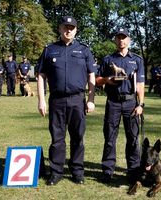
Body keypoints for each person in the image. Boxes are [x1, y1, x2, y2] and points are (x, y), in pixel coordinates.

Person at [37, 16, 96, 186]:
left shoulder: (84, 50)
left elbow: (91, 75)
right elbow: (41, 75)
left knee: (77, 137)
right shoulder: (49, 49)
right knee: (57, 138)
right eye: (65, 27)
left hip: (78, 100)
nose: (68, 30)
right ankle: (56, 172)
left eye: (72, 27)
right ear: (59, 28)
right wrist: (41, 100)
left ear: (76, 30)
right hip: (56, 100)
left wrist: (91, 100)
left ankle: (77, 171)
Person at [96, 28, 145, 184]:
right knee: (110, 138)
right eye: (118, 37)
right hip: (113, 102)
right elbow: (97, 80)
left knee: (133, 139)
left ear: (129, 39)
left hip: (131, 102)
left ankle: (134, 171)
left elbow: (140, 84)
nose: (121, 40)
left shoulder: (137, 59)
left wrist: (141, 104)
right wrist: (108, 79)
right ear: (115, 40)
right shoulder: (108, 59)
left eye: (124, 37)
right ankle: (108, 171)